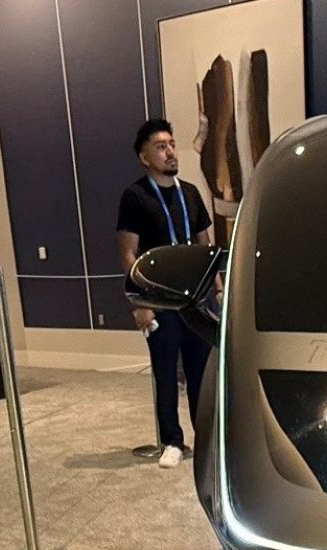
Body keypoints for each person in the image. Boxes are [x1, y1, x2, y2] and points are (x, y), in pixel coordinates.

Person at [118, 118, 214, 469]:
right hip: (159, 301)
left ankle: (208, 438)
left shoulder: (190, 193)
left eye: (171, 144)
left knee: (202, 374)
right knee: (166, 373)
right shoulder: (135, 197)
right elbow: (129, 253)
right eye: (161, 147)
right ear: (145, 157)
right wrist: (140, 302)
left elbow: (205, 246)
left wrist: (218, 291)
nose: (170, 151)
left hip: (195, 299)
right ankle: (172, 440)